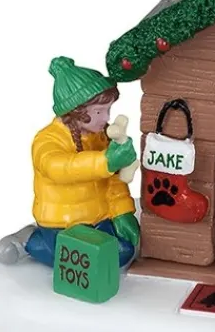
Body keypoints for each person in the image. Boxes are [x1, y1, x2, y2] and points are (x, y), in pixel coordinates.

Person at [19, 56, 140, 267]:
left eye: (108, 110)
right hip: (61, 221)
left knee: (124, 251)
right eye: (99, 112)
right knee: (94, 261)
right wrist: (106, 161)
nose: (106, 118)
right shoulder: (47, 140)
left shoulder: (99, 135)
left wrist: (122, 212)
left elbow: (112, 181)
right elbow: (60, 168)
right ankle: (32, 241)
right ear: (76, 112)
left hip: (97, 217)